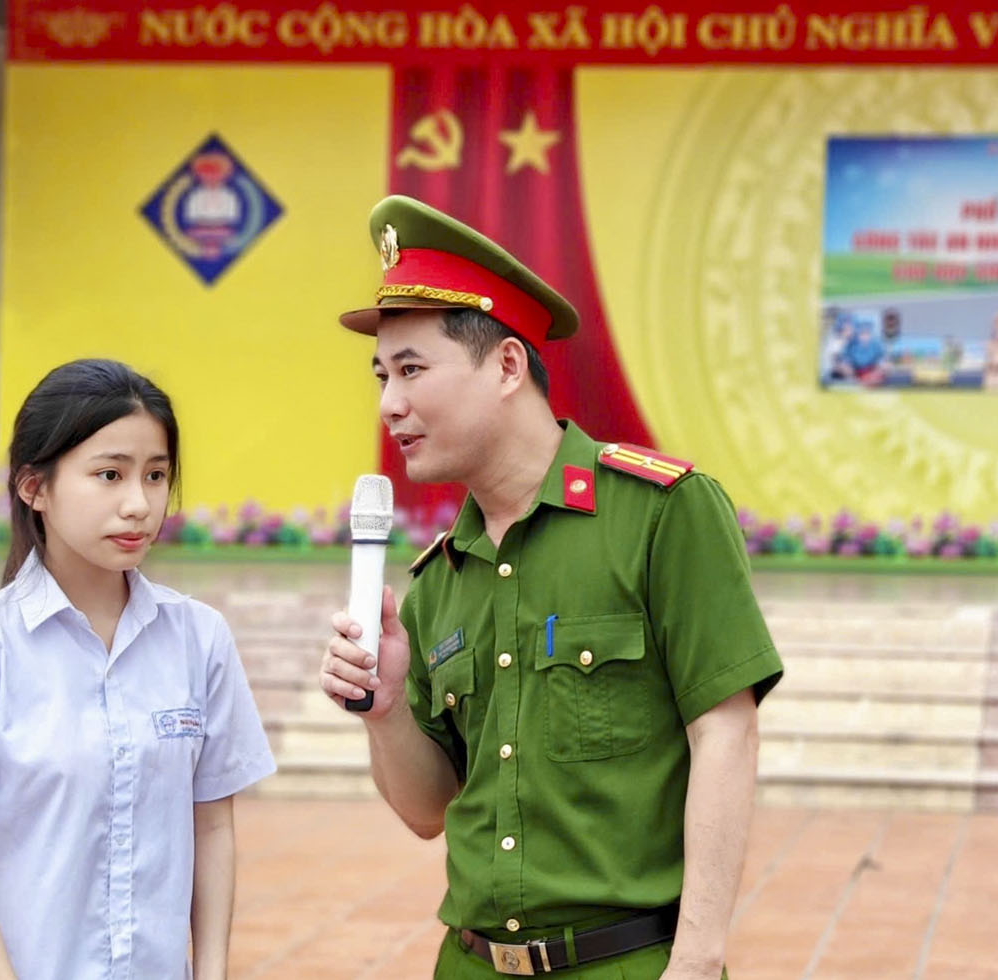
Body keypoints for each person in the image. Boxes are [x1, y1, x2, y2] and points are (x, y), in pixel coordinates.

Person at [319, 197, 783, 979]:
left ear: (507, 366)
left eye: (411, 370)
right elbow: (428, 812)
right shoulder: (437, 580)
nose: (389, 404)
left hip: (627, 962)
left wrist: (699, 958)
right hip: (470, 963)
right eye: (381, 376)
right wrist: (387, 709)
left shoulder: (660, 515)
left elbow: (725, 733)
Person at [0, 359, 275, 980]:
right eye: (109, 475)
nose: (138, 504)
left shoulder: (199, 639)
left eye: (155, 476)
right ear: (33, 488)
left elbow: (211, 829)